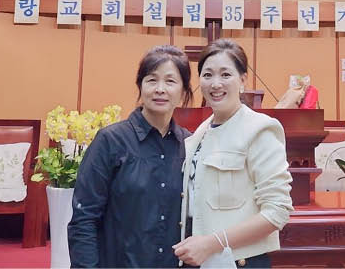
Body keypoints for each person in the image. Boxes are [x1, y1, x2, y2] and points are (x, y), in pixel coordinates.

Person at [68, 45, 193, 268]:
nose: (160, 89)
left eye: (170, 81)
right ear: (140, 86)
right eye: (152, 80)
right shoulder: (110, 141)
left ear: (183, 92)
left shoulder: (189, 145)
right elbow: (84, 218)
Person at [174, 39, 293, 268]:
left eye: (225, 74)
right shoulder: (199, 133)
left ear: (242, 80)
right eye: (207, 75)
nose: (215, 83)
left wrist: (213, 244)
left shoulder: (259, 128)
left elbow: (277, 211)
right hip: (198, 261)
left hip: (239, 262)